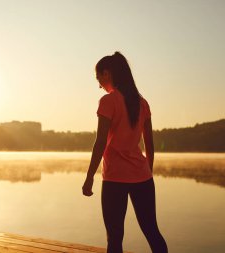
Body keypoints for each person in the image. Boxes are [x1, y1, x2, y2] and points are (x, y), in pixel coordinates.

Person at [82, 52, 168, 253]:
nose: (99, 85)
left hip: (115, 179)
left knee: (115, 238)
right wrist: (148, 171)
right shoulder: (142, 103)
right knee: (152, 231)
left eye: (98, 78)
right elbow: (149, 144)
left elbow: (100, 141)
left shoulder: (108, 101)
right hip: (143, 177)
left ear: (107, 73)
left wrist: (89, 177)